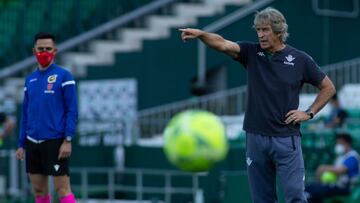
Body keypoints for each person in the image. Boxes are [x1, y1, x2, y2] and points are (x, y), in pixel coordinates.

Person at [179, 7, 336, 203]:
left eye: (265, 30)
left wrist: (309, 113)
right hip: (255, 138)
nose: (261, 35)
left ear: (279, 31)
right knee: (262, 199)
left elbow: (328, 87)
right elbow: (222, 44)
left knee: (295, 196)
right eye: (258, 30)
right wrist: (202, 34)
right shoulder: (251, 52)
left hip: (286, 139)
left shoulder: (300, 59)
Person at [15, 32, 78, 203]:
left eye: (48, 49)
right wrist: (21, 143)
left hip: (56, 142)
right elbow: (25, 114)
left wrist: (68, 139)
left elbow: (72, 110)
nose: (44, 52)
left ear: (55, 51)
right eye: (40, 49)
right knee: (39, 191)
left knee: (62, 189)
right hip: (32, 141)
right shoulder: (30, 80)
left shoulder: (64, 76)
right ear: (34, 50)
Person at [305, 133, 359, 203]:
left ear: (347, 143)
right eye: (337, 143)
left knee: (316, 192)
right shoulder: (340, 156)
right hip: (335, 185)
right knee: (309, 188)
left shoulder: (352, 156)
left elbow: (341, 170)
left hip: (345, 188)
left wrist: (323, 168)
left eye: (340, 143)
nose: (338, 145)